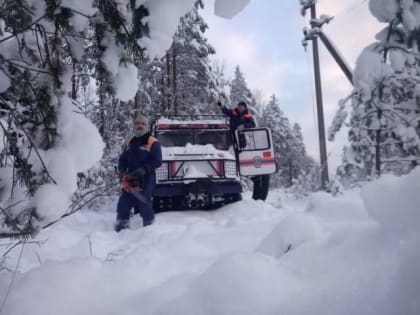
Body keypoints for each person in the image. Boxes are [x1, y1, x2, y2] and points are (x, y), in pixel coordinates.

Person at [115, 116, 162, 232]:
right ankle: (121, 229)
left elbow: (157, 161)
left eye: (143, 124)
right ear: (134, 126)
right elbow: (123, 159)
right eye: (137, 123)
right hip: (130, 179)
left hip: (146, 179)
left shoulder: (153, 142)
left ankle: (149, 230)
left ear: (147, 127)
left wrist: (144, 169)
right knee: (123, 205)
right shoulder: (131, 142)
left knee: (144, 203)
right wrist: (121, 172)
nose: (140, 125)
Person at [218, 100, 269, 201]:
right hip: (230, 138)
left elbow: (252, 124)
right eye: (240, 106)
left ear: (245, 108)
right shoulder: (233, 113)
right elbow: (226, 111)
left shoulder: (247, 117)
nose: (241, 108)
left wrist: (244, 126)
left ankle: (253, 178)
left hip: (240, 139)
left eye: (243, 106)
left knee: (243, 157)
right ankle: (234, 172)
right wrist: (221, 106)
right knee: (231, 158)